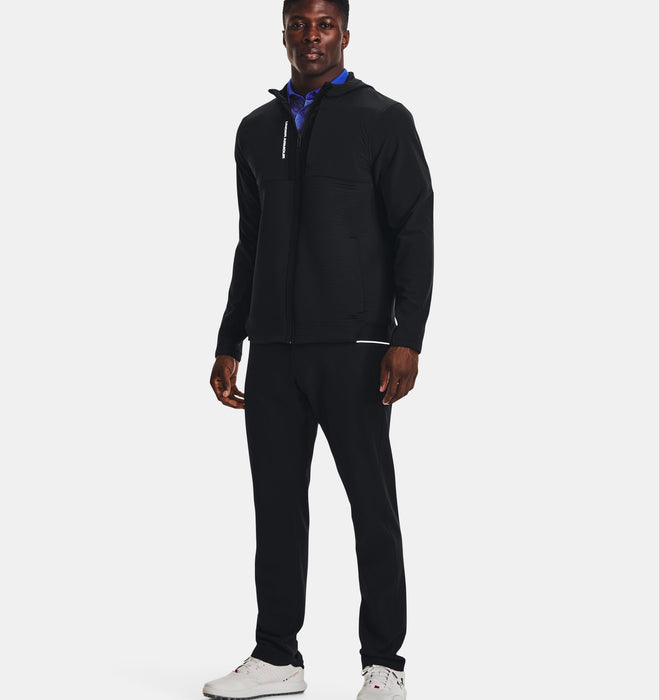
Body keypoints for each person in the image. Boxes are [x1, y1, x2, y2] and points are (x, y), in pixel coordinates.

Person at [204, 0, 433, 697]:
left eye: (324, 24)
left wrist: (406, 337)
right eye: (299, 24)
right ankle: (276, 656)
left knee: (372, 506)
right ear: (283, 33)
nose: (311, 35)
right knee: (276, 505)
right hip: (274, 349)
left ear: (345, 34)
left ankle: (384, 664)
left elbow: (414, 230)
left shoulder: (383, 120)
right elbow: (250, 244)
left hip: (355, 347)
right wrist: (229, 339)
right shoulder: (255, 130)